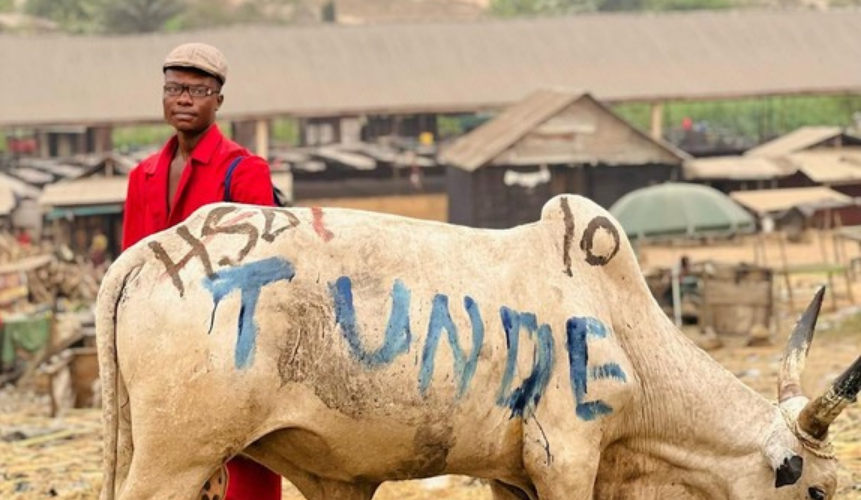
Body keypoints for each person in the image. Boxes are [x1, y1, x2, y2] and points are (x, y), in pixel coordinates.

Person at [121, 42, 282, 500]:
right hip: (163, 355)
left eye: (197, 89)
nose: (184, 99)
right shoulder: (143, 176)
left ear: (218, 100)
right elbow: (130, 269)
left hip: (230, 351)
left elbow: (263, 275)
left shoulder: (245, 171)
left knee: (242, 474)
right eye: (174, 88)